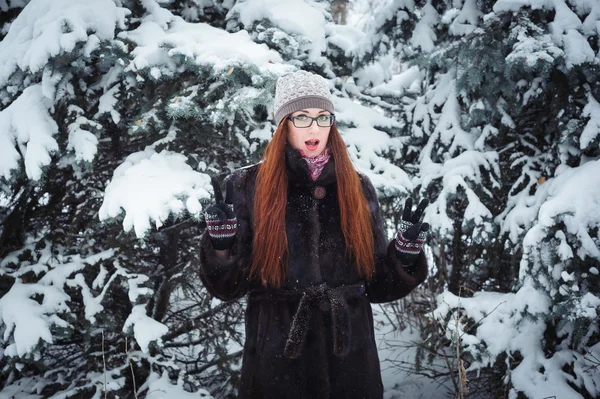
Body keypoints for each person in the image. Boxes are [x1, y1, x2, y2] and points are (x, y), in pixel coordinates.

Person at [199, 70, 430, 399]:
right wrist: (221, 248)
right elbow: (229, 287)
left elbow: (378, 284)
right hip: (277, 365)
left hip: (351, 366)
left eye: (323, 117)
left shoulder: (358, 187)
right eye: (302, 118)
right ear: (284, 126)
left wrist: (404, 256)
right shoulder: (248, 186)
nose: (315, 128)